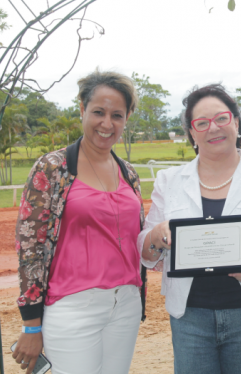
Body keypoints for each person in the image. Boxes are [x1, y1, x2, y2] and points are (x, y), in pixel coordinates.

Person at [138, 84, 241, 374]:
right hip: (190, 317)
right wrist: (157, 234)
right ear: (192, 133)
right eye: (202, 123)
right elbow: (147, 252)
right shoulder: (169, 180)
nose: (213, 128)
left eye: (222, 118)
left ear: (236, 123)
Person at [12, 70, 147, 374]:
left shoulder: (128, 172)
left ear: (126, 119)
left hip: (125, 303)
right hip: (72, 306)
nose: (107, 123)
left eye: (117, 115)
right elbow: (30, 247)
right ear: (82, 109)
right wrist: (32, 326)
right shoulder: (53, 168)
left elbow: (135, 238)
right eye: (98, 112)